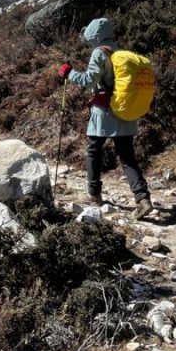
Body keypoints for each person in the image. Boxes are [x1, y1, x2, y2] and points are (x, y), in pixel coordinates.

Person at [59, 17, 153, 219]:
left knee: (94, 151)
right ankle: (143, 198)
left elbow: (88, 80)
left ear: (94, 35)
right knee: (127, 157)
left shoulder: (98, 53)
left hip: (104, 112)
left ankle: (94, 194)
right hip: (125, 112)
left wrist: (68, 73)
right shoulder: (121, 53)